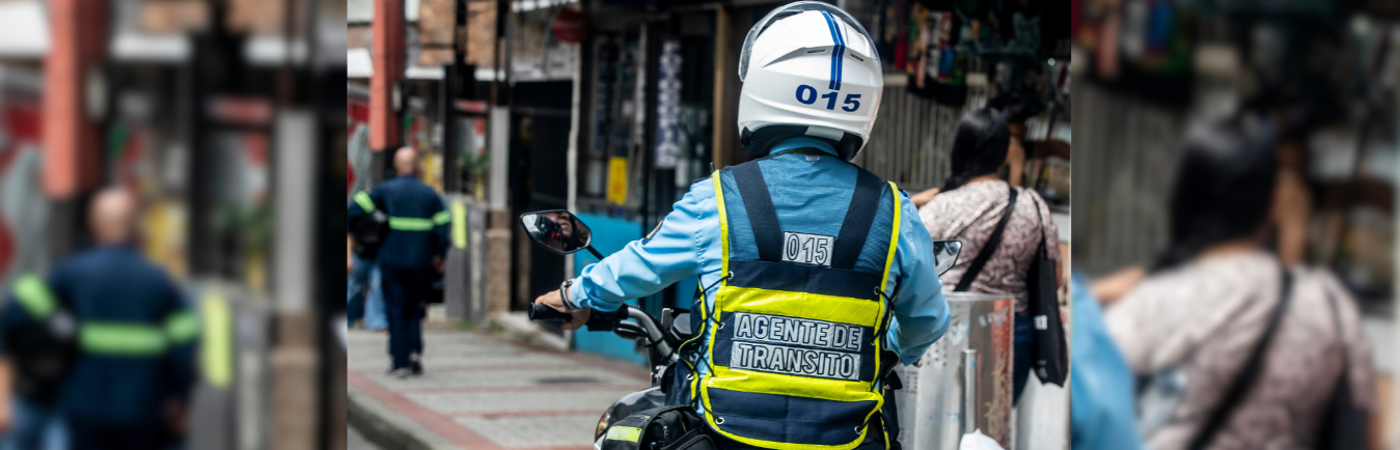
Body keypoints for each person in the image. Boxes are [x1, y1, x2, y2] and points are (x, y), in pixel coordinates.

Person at [533, 3, 949, 449]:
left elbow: (641, 265)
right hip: (848, 437)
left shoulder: (718, 199)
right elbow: (928, 320)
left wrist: (573, 295)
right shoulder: (895, 210)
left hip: (729, 433)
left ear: (762, 86)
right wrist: (886, 353)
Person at [1102, 116, 1377, 449]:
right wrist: (1295, 229)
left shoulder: (1150, 303)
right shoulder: (1332, 305)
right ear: (1276, 199)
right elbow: (1365, 430)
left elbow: (1093, 416)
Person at [0, 188, 197, 450]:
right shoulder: (160, 280)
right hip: (144, 410)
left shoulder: (70, 272)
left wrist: (58, 323)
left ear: (93, 224)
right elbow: (184, 348)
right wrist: (181, 399)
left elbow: (16, 311)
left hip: (83, 409)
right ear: (137, 226)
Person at [914, 108, 1063, 402]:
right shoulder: (1033, 205)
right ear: (1006, 154)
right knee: (994, 433)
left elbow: (910, 273)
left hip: (946, 330)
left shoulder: (939, 206)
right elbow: (1054, 279)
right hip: (1011, 333)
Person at [347, 147, 450, 378]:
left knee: (395, 308)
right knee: (414, 307)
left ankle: (399, 362)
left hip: (391, 260)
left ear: (396, 166)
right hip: (421, 262)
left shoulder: (383, 190)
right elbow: (443, 228)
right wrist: (440, 255)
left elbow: (353, 210)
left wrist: (366, 233)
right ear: (417, 166)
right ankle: (414, 351)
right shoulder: (429, 194)